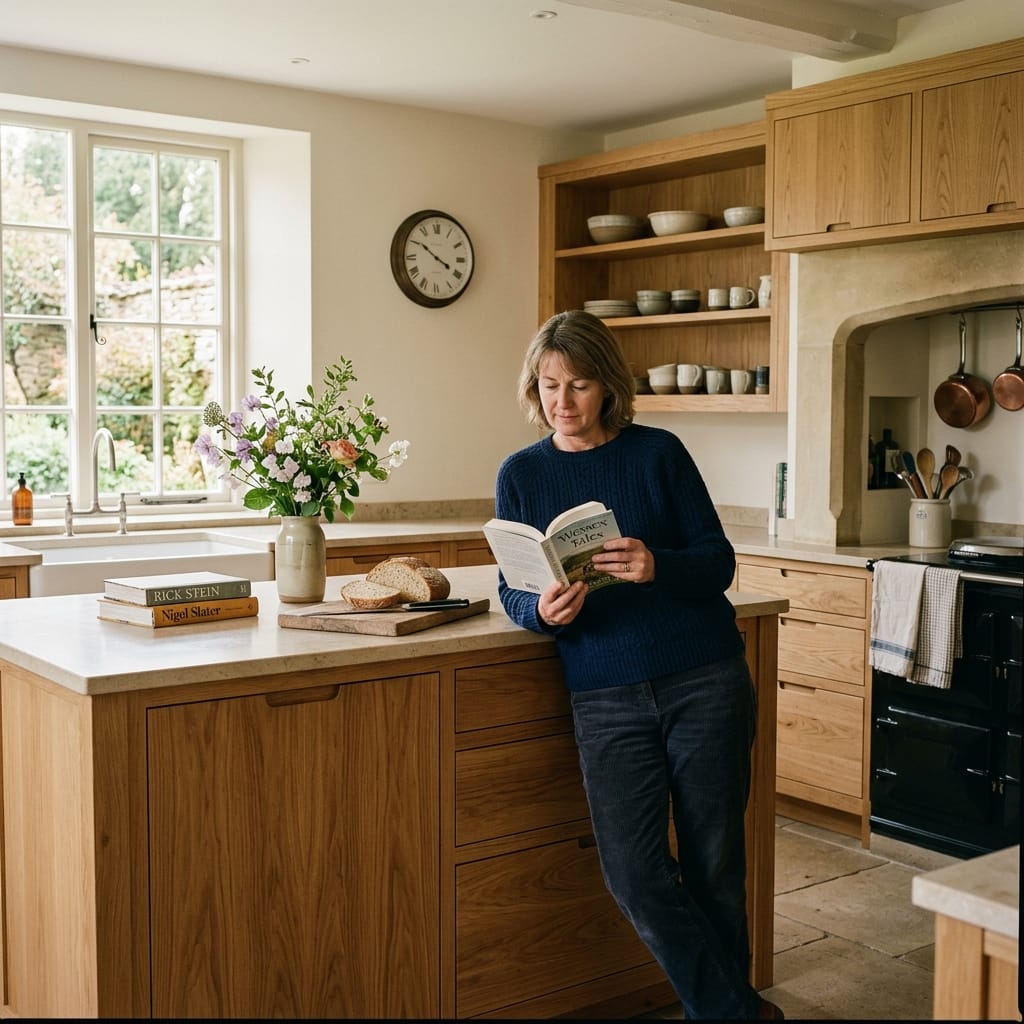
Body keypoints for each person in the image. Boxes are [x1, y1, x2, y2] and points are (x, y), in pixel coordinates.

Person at [494, 310, 783, 1021]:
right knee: (632, 870)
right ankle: (735, 1013)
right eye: (550, 384)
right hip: (604, 691)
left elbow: (717, 561)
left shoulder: (659, 453)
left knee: (715, 863)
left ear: (609, 387)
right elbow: (511, 585)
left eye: (580, 384)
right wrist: (539, 613)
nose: (563, 402)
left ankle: (715, 1013)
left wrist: (657, 564)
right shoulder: (521, 474)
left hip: (703, 679)